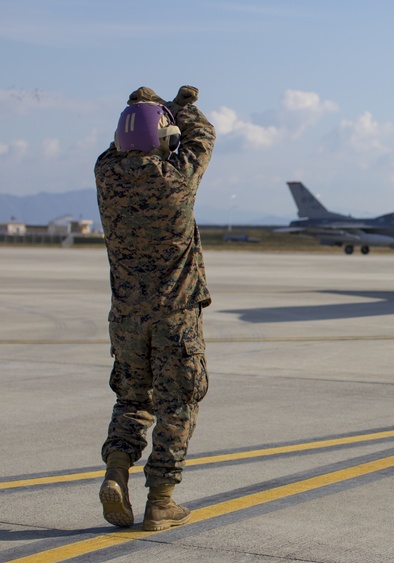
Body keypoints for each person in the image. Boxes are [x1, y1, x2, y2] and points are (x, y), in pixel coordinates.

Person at [95, 85, 215, 531]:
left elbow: (120, 147)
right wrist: (179, 106)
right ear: (164, 142)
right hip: (176, 318)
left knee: (131, 400)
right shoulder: (177, 178)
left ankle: (116, 471)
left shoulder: (106, 175)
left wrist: (141, 110)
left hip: (125, 317)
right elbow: (201, 134)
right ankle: (161, 501)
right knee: (178, 404)